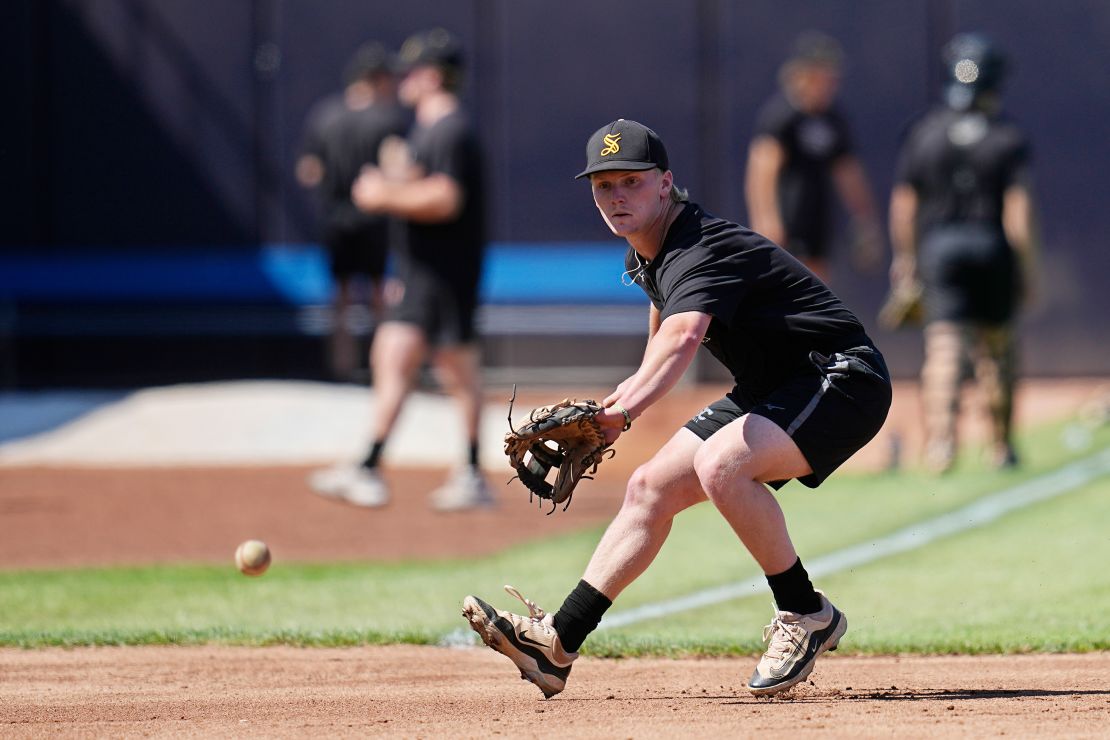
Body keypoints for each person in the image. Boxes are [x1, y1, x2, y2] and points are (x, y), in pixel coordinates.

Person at [463, 119, 892, 697]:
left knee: (721, 465)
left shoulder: (697, 247)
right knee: (648, 488)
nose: (616, 196)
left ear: (665, 183)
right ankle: (556, 645)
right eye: (603, 185)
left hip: (840, 375)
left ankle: (805, 612)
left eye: (630, 182)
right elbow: (661, 334)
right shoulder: (652, 252)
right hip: (773, 385)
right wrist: (620, 402)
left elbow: (684, 338)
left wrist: (621, 414)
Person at [309, 28, 492, 511]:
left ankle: (470, 474)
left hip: (445, 274)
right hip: (419, 272)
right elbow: (426, 183)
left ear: (432, 76)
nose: (402, 79)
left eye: (411, 71)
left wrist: (384, 193)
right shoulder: (429, 129)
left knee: (456, 370)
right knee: (392, 357)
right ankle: (368, 466)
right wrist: (396, 178)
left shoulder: (451, 127)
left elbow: (446, 198)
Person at [888, 33, 1039, 474]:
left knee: (945, 347)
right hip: (992, 247)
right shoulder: (1008, 135)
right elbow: (1019, 210)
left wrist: (906, 259)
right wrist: (1025, 266)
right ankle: (1001, 447)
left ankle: (941, 446)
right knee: (998, 348)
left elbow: (904, 204)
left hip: (941, 248)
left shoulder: (925, 133)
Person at [296, 42, 410, 380]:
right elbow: (397, 167)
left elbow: (308, 170)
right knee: (380, 297)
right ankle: (382, 370)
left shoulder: (324, 115)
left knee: (341, 298)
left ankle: (341, 369)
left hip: (335, 221)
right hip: (376, 219)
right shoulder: (388, 120)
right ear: (375, 79)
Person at [745, 31, 882, 284]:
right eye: (822, 75)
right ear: (801, 76)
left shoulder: (833, 119)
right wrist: (767, 221)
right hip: (787, 221)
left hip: (817, 220)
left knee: (817, 286)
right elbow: (762, 172)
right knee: (783, 287)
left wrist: (865, 220)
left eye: (833, 77)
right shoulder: (782, 116)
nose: (830, 83)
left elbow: (848, 173)